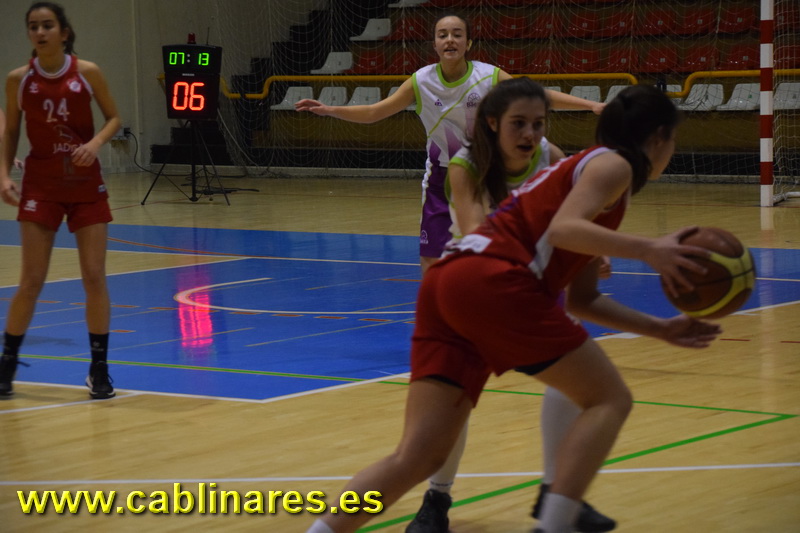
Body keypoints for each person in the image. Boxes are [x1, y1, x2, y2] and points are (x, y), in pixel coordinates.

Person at [306, 84, 723, 533]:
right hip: (496, 281)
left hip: (450, 281)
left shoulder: (581, 172)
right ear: (659, 137)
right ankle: (554, 523)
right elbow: (564, 230)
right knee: (609, 399)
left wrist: (661, 329)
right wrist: (649, 249)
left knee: (417, 456)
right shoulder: (614, 164)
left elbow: (583, 300)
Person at [407, 77, 614, 533]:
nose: (530, 134)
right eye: (519, 123)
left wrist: (592, 249)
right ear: (492, 124)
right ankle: (437, 497)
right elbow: (479, 234)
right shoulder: (465, 164)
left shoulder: (550, 156)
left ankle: (556, 490)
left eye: (538, 124)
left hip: (532, 279)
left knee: (572, 384)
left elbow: (574, 213)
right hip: (474, 285)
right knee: (454, 399)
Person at [295, 13, 604, 275]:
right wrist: (329, 109)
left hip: (488, 173)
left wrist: (590, 105)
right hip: (442, 177)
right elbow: (375, 112)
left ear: (468, 43)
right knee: (431, 260)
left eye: (457, 34)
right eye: (442, 35)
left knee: (491, 252)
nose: (450, 40)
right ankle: (442, 316)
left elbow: (536, 96)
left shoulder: (488, 76)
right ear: (435, 44)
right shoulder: (420, 81)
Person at [0, 2, 121, 399]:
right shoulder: (19, 79)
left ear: (64, 33)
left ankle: (99, 370)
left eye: (47, 25)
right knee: (31, 280)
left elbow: (114, 118)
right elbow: (11, 131)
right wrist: (3, 175)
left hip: (85, 184)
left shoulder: (87, 72)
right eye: (33, 26)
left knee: (94, 276)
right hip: (42, 186)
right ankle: (7, 363)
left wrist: (95, 143)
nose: (40, 32)